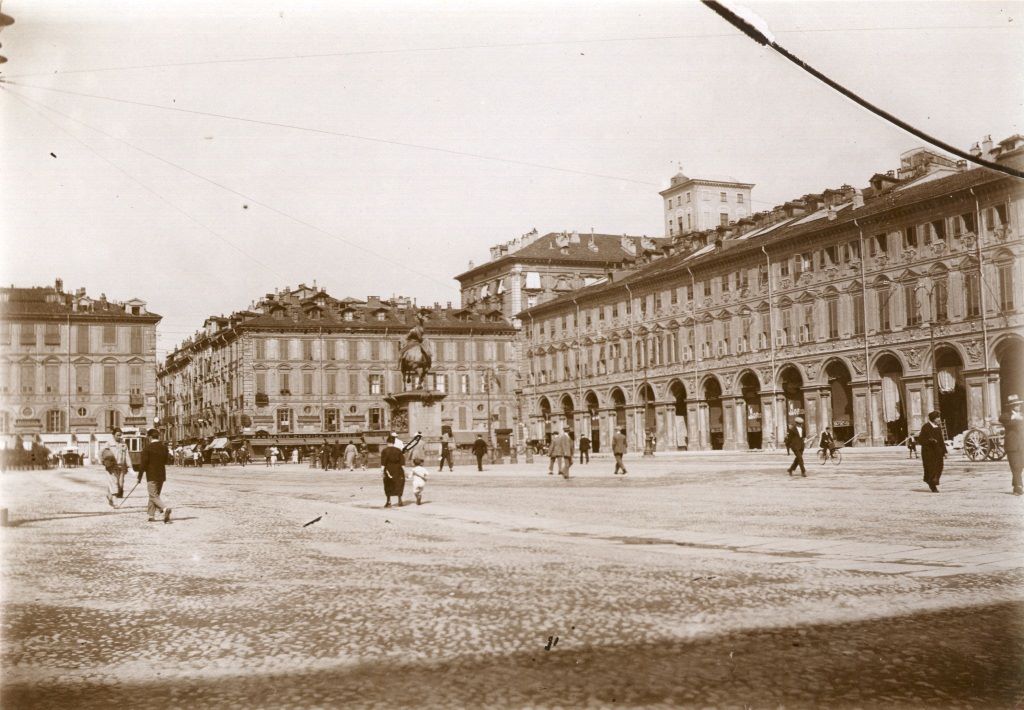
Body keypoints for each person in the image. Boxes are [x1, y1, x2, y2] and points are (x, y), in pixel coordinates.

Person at [137, 428, 172, 523]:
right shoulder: (164, 447)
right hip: (161, 475)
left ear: (150, 437)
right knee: (154, 496)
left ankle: (165, 509)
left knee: (153, 496)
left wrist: (139, 477)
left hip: (151, 475)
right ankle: (151, 516)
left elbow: (143, 464)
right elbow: (166, 461)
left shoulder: (147, 448)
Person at [100, 428, 135, 507]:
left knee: (120, 485)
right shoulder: (108, 443)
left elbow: (127, 456)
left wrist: (130, 467)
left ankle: (109, 496)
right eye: (117, 435)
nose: (119, 437)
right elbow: (100, 453)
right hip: (112, 467)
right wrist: (103, 462)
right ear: (113, 435)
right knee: (114, 483)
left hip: (121, 467)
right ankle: (115, 503)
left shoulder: (124, 444)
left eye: (120, 435)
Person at [999, 394, 1023, 496]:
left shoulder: (1021, 415)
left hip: (1022, 445)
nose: (1019, 406)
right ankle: (1019, 487)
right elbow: (1002, 419)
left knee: (1020, 466)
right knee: (1015, 466)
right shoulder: (1006, 416)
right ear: (1012, 406)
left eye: (1019, 404)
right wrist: (1015, 418)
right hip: (1012, 446)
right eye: (1016, 405)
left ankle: (1015, 485)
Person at [918, 410, 946, 492]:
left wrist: (944, 451)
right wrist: (930, 440)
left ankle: (932, 481)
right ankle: (932, 485)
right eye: (938, 418)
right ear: (933, 419)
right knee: (931, 468)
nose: (939, 419)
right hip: (928, 452)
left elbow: (941, 440)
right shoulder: (926, 427)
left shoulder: (938, 428)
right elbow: (920, 440)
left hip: (938, 452)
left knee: (940, 466)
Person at [380, 434, 406, 507]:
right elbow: (402, 463)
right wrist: (405, 471)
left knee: (388, 484)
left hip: (388, 469)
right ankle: (400, 500)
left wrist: (382, 471)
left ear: (387, 442)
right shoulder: (398, 451)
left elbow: (383, 463)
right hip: (398, 469)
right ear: (394, 442)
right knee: (399, 484)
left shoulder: (384, 451)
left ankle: (388, 501)